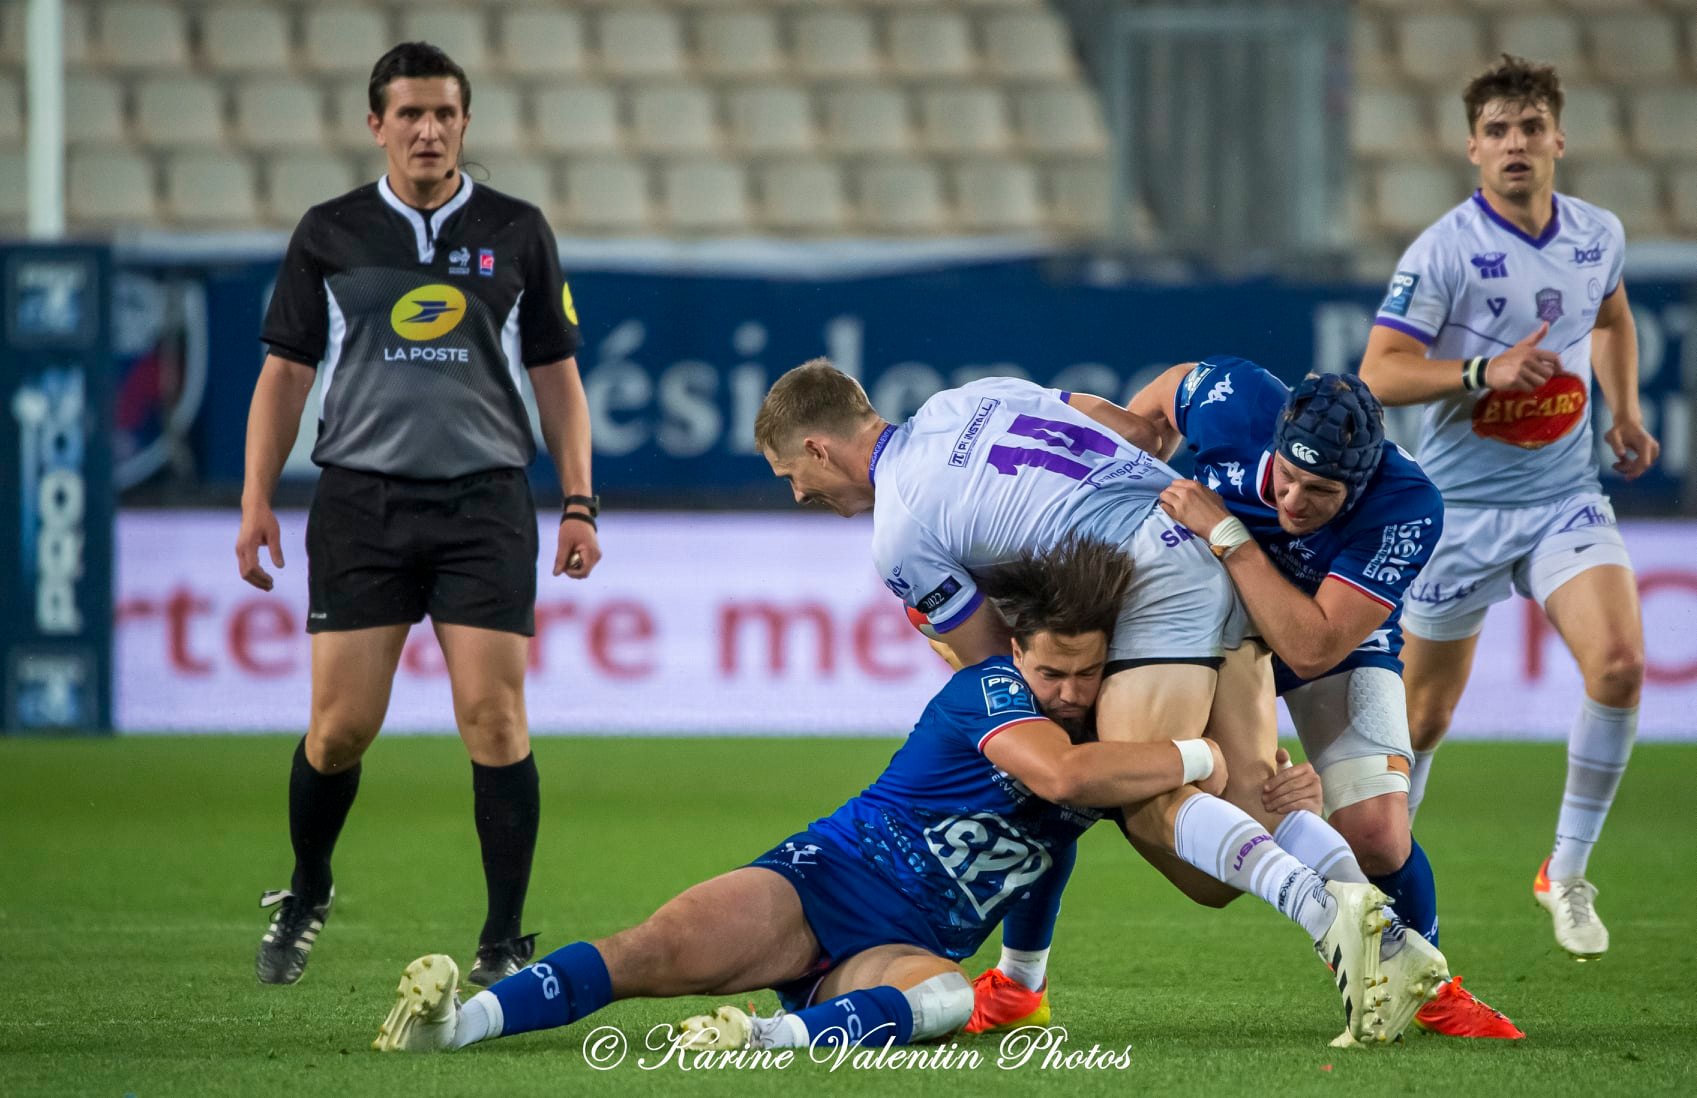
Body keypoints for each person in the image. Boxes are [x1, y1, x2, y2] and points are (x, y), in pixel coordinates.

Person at [373, 537, 1377, 1054]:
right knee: (649, 952)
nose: (1069, 693)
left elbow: (1056, 852)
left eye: (1086, 674)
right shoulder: (990, 692)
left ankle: (762, 1038)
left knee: (943, 997)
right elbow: (1062, 784)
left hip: (900, 944)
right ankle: (458, 1024)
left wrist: (1020, 979)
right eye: (1051, 672)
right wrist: (1202, 755)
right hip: (822, 881)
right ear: (1016, 650)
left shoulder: (1110, 737)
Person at [755, 362, 1447, 1044]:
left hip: (1147, 582)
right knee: (1250, 808)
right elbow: (1137, 433)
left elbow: (1003, 671)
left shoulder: (898, 533)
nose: (799, 493)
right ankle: (1392, 944)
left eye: (793, 475)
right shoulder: (969, 398)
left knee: (1150, 803)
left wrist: (1100, 747)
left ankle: (1332, 921)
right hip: (1203, 543)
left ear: (819, 448)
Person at [971, 360, 1521, 1041]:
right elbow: (1158, 403)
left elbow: (1311, 648)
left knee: (1377, 833)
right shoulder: (1234, 398)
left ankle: (1426, 985)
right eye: (1286, 476)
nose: (1293, 500)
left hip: (1330, 628)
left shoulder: (1406, 504)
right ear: (1277, 436)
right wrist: (1142, 455)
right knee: (1059, 772)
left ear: (1360, 482)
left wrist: (1228, 536)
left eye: (1320, 491)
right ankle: (1019, 983)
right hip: (1205, 613)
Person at [235, 42, 601, 988]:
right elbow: (285, 374)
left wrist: (579, 501)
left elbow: (556, 376)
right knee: (338, 732)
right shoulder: (331, 233)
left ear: (465, 123)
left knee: (495, 718)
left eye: (444, 113)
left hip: (485, 503)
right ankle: (308, 887)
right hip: (361, 504)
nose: (428, 130)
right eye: (410, 114)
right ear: (376, 125)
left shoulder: (517, 231)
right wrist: (255, 497)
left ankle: (502, 938)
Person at [1357, 55, 1656, 960]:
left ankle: (1565, 871)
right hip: (1457, 511)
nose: (1514, 143)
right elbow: (1378, 373)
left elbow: (1611, 318)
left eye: (1529, 127)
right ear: (1472, 150)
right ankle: (1374, 908)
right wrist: (1484, 370)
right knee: (1420, 722)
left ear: (1557, 138)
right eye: (1496, 130)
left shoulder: (1596, 232)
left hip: (1562, 498)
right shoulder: (1441, 253)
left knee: (1618, 667)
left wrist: (1624, 412)